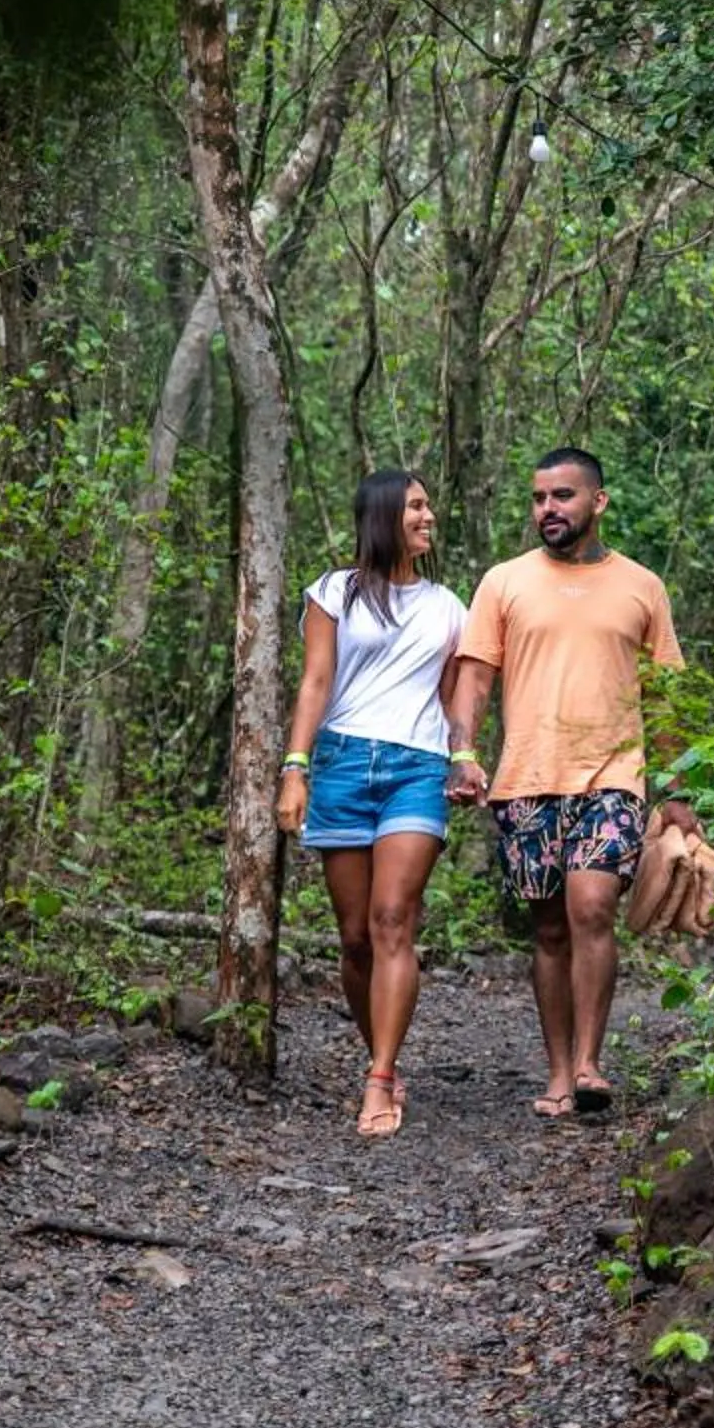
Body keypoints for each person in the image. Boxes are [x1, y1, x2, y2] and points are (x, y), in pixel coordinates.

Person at [446, 447, 700, 1118]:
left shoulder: (641, 585)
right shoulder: (504, 582)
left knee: (591, 906)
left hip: (614, 776)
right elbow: (474, 676)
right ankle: (558, 1073)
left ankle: (590, 1063)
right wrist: (464, 752)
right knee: (550, 930)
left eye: (562, 496)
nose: (548, 510)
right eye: (538, 499)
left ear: (598, 502)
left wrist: (677, 792)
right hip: (527, 777)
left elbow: (664, 695)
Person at [276, 470, 470, 1138]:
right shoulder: (334, 591)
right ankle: (379, 1055)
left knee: (393, 919)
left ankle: (380, 1078)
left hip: (417, 766)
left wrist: (466, 756)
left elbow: (454, 700)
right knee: (356, 939)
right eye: (417, 505)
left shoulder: (449, 606)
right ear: (386, 514)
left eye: (428, 504)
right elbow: (316, 681)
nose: (428, 515)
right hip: (340, 765)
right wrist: (294, 768)